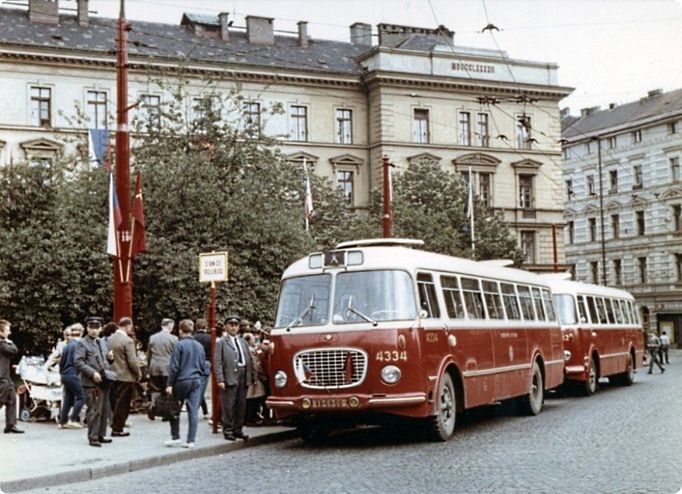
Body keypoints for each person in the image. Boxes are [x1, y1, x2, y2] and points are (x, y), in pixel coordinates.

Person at [165, 319, 208, 449]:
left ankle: (176, 437)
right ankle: (191, 440)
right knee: (193, 410)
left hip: (181, 380)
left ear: (180, 330)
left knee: (174, 408)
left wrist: (169, 384)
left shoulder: (179, 345)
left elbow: (174, 367)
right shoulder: (199, 346)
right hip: (196, 380)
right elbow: (202, 364)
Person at [74, 316, 113, 447]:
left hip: (104, 380)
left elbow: (104, 359)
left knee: (104, 409)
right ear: (87, 328)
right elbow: (78, 362)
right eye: (91, 328)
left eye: (97, 328)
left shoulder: (101, 342)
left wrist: (110, 359)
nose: (94, 331)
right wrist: (93, 373)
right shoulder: (82, 343)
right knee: (95, 410)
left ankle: (101, 434)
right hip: (91, 382)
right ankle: (93, 436)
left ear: (101, 329)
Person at [214, 315, 254, 441]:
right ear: (226, 327)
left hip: (243, 374)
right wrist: (220, 379)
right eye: (230, 325)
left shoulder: (243, 342)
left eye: (236, 325)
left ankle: (238, 429)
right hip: (230, 374)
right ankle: (228, 430)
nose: (233, 327)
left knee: (241, 405)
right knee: (229, 405)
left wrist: (252, 376)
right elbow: (218, 362)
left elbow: (249, 359)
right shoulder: (221, 343)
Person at [107, 317, 141, 437]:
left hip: (112, 375)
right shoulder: (128, 341)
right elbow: (132, 361)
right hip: (125, 376)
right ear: (127, 326)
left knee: (114, 402)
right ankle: (118, 428)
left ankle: (114, 424)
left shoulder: (109, 339)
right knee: (123, 404)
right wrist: (138, 374)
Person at [58, 323, 85, 429]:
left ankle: (62, 421)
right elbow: (79, 362)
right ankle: (72, 419)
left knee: (68, 398)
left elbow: (61, 362)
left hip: (64, 374)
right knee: (81, 397)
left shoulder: (67, 345)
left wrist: (62, 373)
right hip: (73, 374)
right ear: (81, 332)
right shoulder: (79, 345)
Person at [0, 319, 23, 434]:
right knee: (1, 399)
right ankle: (11, 424)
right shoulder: (2, 344)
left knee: (12, 398)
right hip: (1, 376)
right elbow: (14, 350)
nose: (9, 333)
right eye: (7, 331)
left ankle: (11, 424)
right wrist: (9, 341)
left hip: (5, 375)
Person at [243, 332, 266, 426]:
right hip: (254, 378)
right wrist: (260, 376)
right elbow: (256, 365)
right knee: (254, 399)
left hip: (249, 377)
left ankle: (249, 418)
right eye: (252, 339)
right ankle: (251, 418)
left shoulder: (245, 350)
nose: (254, 340)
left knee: (250, 399)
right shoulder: (251, 351)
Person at [193, 318, 211, 419]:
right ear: (206, 327)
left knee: (198, 387)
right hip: (206, 362)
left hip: (194, 363)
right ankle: (194, 410)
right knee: (201, 387)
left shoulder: (193, 337)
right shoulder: (210, 338)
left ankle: (204, 410)